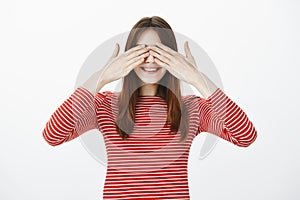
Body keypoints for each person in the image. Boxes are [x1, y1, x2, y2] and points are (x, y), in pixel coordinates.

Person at [42, 16, 258, 199]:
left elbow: (245, 136)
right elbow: (53, 135)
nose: (151, 60)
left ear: (172, 57)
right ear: (128, 56)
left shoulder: (192, 109)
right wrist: (102, 77)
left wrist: (196, 78)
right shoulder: (105, 106)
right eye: (141, 51)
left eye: (159, 51)